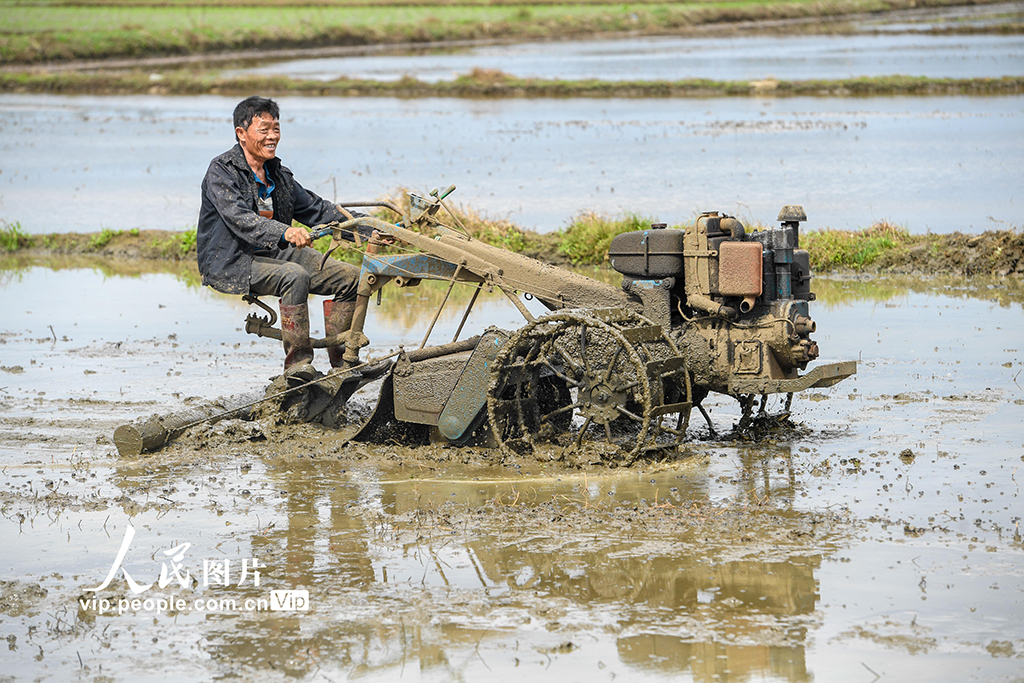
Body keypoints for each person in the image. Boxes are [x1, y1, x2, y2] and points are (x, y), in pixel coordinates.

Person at [197, 95, 381, 378]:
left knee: (351, 278)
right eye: (264, 130)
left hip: (273, 252)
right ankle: (298, 367)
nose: (272, 136)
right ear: (241, 134)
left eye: (276, 129)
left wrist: (371, 228)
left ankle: (345, 362)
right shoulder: (222, 172)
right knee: (294, 276)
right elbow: (241, 219)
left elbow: (318, 210)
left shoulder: (278, 175)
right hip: (233, 260)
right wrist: (285, 231)